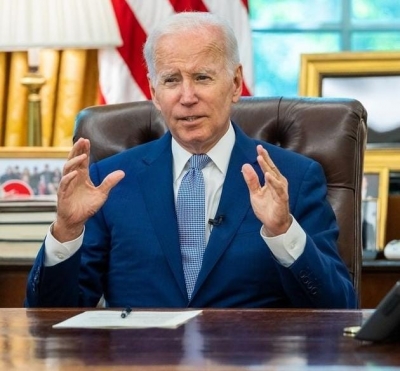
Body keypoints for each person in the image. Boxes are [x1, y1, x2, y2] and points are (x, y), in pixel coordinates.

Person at [25, 12, 357, 309]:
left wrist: (283, 231)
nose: (187, 97)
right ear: (154, 93)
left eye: (202, 78)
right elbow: (48, 316)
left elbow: (339, 308)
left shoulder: (294, 179)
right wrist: (66, 231)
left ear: (236, 83)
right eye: (171, 80)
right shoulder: (108, 181)